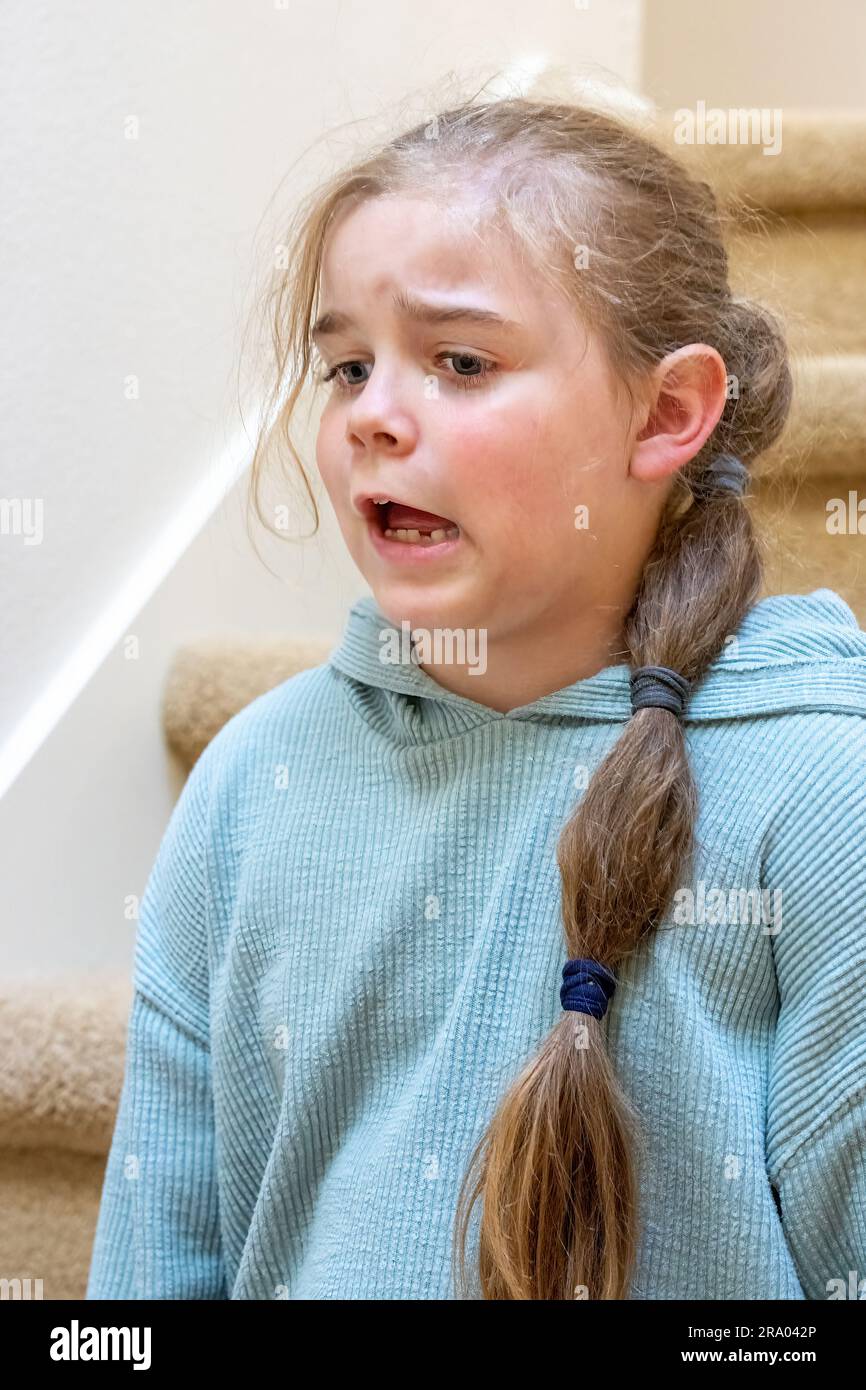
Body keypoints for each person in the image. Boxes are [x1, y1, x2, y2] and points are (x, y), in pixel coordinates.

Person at [86, 94, 866, 1301]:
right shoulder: (253, 782)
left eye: (459, 362)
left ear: (665, 413)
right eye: (347, 366)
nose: (372, 418)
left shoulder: (819, 795)